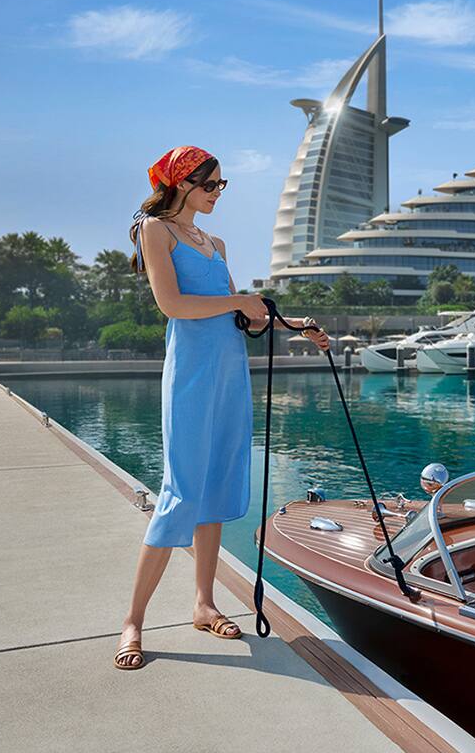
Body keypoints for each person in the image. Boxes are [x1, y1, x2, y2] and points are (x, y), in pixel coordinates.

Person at [114, 146, 329, 672]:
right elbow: (173, 305)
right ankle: (133, 621)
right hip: (190, 374)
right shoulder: (155, 230)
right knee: (181, 490)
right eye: (210, 184)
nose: (217, 193)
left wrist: (295, 325)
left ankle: (204, 604)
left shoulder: (216, 244)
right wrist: (238, 301)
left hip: (231, 373)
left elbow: (244, 318)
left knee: (213, 486)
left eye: (220, 185)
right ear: (182, 183)